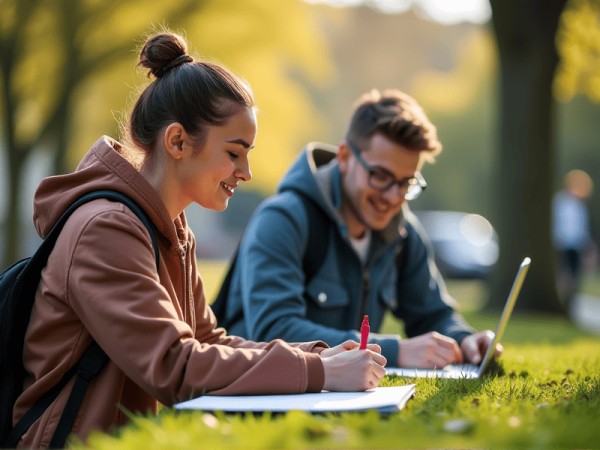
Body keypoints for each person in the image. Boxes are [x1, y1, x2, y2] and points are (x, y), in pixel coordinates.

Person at [13, 31, 387, 449]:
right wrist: (317, 374)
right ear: (177, 141)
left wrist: (320, 356)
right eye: (234, 152)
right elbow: (175, 366)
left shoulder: (170, 228)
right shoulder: (104, 229)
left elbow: (207, 341)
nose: (245, 172)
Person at [220, 88, 500, 370]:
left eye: (405, 183)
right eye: (380, 176)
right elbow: (273, 330)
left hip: (339, 386)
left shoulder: (402, 233)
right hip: (254, 389)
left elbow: (432, 313)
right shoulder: (283, 219)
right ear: (344, 157)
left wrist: (465, 340)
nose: (393, 197)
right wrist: (394, 351)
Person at [553, 169, 595, 304]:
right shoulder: (560, 201)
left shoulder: (580, 205)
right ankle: (564, 300)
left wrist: (588, 246)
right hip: (563, 244)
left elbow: (582, 228)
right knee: (565, 275)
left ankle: (570, 301)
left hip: (577, 245)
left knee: (575, 275)